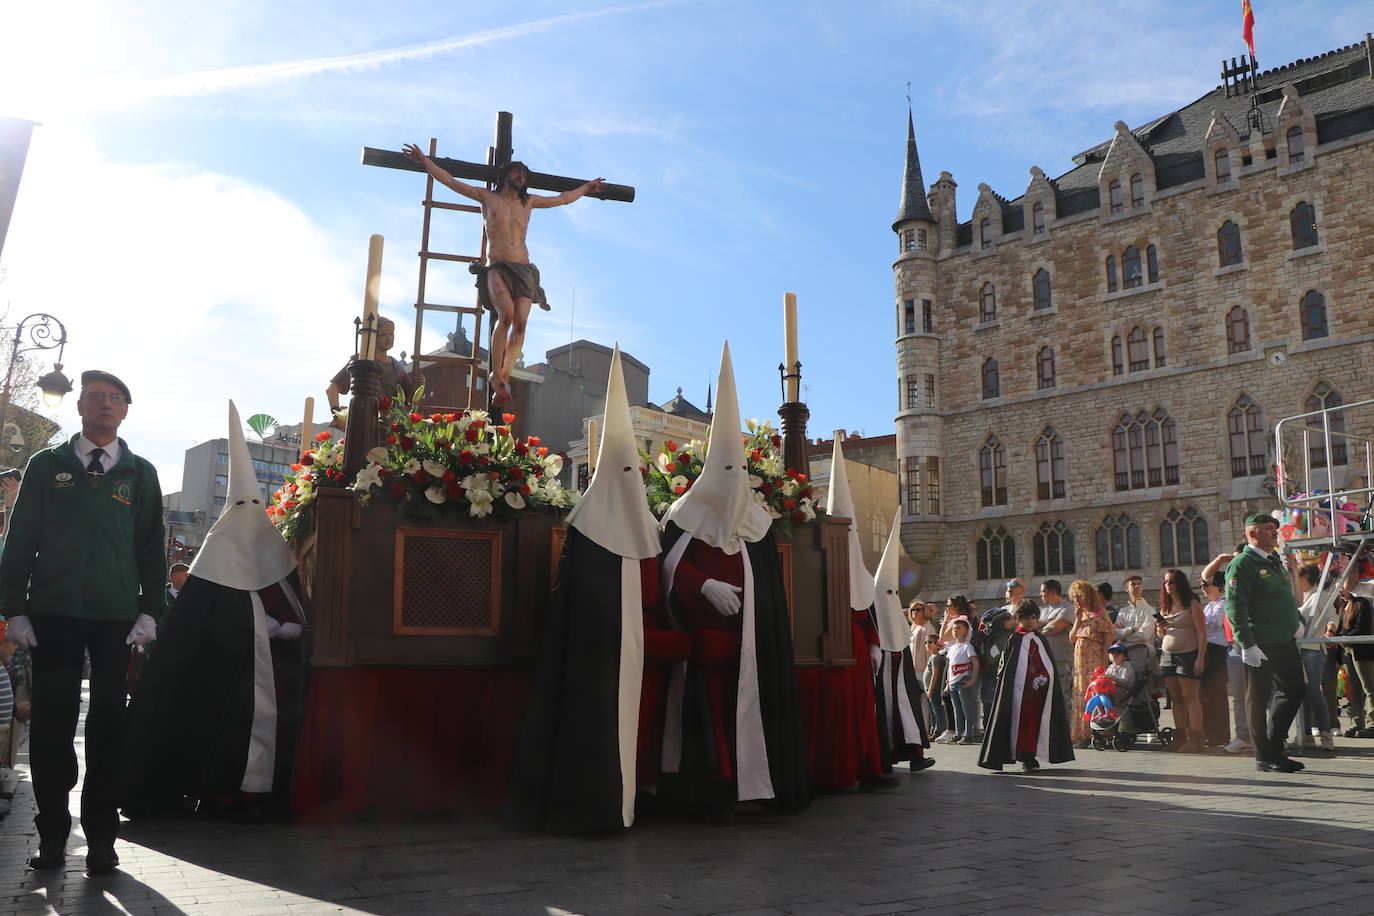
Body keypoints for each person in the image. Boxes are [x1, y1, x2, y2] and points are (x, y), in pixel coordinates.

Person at [1, 371, 166, 873]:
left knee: (109, 725)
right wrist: (15, 609)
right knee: (52, 726)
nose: (105, 405)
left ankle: (101, 837)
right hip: (54, 613)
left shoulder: (140, 473)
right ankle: (53, 834)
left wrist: (151, 610)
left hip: (116, 617)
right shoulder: (46, 465)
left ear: (126, 411)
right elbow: (20, 538)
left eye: (115, 399)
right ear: (80, 407)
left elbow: (151, 547)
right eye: (95, 397)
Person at [508, 347, 670, 832]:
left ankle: (634, 800)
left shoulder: (648, 530)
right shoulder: (585, 528)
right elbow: (573, 599)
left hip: (638, 653)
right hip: (592, 657)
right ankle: (595, 806)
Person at [123, 402, 308, 824]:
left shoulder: (275, 558)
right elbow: (196, 632)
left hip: (268, 684)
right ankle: (208, 792)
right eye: (240, 503)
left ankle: (255, 796)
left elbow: (290, 603)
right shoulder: (210, 567)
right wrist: (262, 626)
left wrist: (286, 628)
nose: (249, 512)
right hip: (219, 684)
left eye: (255, 503)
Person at [658, 343, 808, 822]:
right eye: (726, 470)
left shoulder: (757, 525)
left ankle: (756, 789)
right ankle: (709, 794)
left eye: (739, 470)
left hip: (750, 651)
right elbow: (666, 567)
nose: (734, 479)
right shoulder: (682, 516)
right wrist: (703, 586)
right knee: (707, 725)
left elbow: (769, 592)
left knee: (749, 716)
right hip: (700, 653)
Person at [401, 146, 605, 407]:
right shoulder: (487, 197)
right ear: (505, 175)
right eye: (517, 172)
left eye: (524, 175)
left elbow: (563, 199)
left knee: (520, 324)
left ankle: (503, 376)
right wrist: (424, 160)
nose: (521, 177)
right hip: (497, 267)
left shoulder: (528, 202)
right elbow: (450, 181)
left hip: (523, 269)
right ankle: (497, 375)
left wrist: (586, 188)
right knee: (506, 316)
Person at [1225, 513, 1307, 773]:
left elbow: (1285, 598)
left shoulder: (1274, 561)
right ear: (1253, 534)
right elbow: (1235, 606)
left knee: (1295, 690)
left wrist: (1296, 621)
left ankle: (1274, 747)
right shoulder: (1243, 564)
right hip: (1259, 642)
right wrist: (1246, 643)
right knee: (1258, 700)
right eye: (1269, 528)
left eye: (1275, 529)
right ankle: (1264, 756)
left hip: (1283, 639)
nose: (1275, 533)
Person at [979, 598, 1074, 773]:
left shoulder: (1040, 639)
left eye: (1033, 618)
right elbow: (1010, 669)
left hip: (1037, 695)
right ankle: (1025, 757)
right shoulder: (1014, 640)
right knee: (1021, 725)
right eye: (1025, 618)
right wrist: (1029, 678)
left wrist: (1043, 676)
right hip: (1019, 695)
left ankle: (1031, 756)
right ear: (1018, 619)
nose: (1030, 621)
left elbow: (1046, 665)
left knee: (1035, 724)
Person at [871, 513, 932, 772]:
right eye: (888, 593)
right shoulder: (872, 620)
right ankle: (884, 758)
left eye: (895, 593)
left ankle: (916, 755)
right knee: (885, 717)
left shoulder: (899, 624)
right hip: (883, 681)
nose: (892, 597)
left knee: (907, 715)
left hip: (901, 683)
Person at [326, 317, 418, 426]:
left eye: (391, 334)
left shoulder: (397, 367)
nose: (389, 338)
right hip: (361, 421)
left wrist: (419, 385)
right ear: (374, 337)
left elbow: (410, 399)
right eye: (383, 335)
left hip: (387, 427)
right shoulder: (361, 361)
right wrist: (337, 416)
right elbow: (332, 389)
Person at [1156, 569, 1208, 753]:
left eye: (1172, 582)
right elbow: (1162, 635)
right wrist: (1160, 628)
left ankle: (1196, 739)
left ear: (1180, 583)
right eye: (1166, 582)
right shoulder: (1165, 606)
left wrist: (1200, 658)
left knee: (1190, 697)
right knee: (1176, 699)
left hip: (1188, 654)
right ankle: (1179, 738)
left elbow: (1202, 632)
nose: (1168, 585)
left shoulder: (1191, 603)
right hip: (1167, 656)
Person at [1293, 563, 1337, 753]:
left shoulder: (1320, 595)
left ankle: (1326, 734)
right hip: (1296, 649)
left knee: (1313, 690)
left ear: (1306, 578)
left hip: (1313, 649)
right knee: (1300, 692)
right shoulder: (1296, 597)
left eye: (1297, 578)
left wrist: (1329, 632)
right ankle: (1305, 735)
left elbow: (1332, 616)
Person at [1068, 580, 1115, 748]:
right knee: (1081, 696)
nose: (1076, 600)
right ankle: (1081, 734)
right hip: (1080, 665)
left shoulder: (1100, 614)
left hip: (1094, 663)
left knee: (1094, 697)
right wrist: (1077, 619)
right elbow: (1072, 638)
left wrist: (1104, 665)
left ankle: (1095, 733)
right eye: (1074, 597)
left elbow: (1107, 641)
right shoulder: (1082, 615)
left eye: (1079, 596)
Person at [1197, 574, 1232, 748]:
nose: (1203, 588)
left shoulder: (1224, 604)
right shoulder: (1209, 606)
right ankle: (1210, 733)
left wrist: (1196, 619)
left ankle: (1221, 735)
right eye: (1201, 585)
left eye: (1206, 584)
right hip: (1208, 649)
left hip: (1218, 650)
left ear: (1218, 585)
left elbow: (1214, 624)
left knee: (1216, 694)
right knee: (1206, 694)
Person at [944, 618, 979, 745]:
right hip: (953, 683)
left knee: (966, 709)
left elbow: (976, 663)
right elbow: (949, 667)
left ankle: (968, 735)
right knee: (957, 709)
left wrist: (972, 680)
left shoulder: (967, 646)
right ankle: (958, 733)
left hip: (963, 681)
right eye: (954, 628)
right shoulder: (952, 648)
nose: (955, 631)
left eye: (958, 628)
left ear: (966, 631)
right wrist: (948, 683)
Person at [1037, 579, 1075, 695]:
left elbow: (1053, 629)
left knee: (1062, 694)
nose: (1040, 594)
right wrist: (1048, 622)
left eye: (1043, 591)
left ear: (1053, 592)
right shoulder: (1042, 610)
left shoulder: (1068, 608)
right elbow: (1033, 625)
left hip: (1061, 659)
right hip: (1044, 659)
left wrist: (1040, 626)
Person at [924, 635, 949, 742]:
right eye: (926, 642)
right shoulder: (932, 657)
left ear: (937, 645)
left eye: (930, 642)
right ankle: (933, 728)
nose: (928, 644)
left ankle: (938, 730)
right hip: (928, 689)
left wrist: (930, 689)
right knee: (931, 711)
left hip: (933, 689)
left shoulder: (936, 658)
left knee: (936, 710)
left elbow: (935, 673)